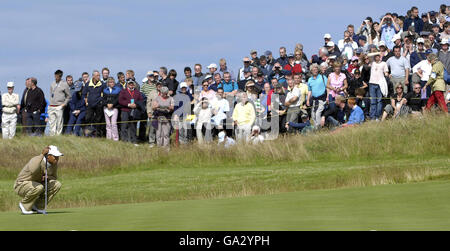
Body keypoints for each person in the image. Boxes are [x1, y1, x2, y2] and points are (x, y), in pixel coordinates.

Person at [14, 145, 63, 215]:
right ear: (48, 156)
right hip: (21, 185)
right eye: (55, 156)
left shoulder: (53, 164)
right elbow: (33, 170)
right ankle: (24, 205)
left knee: (57, 184)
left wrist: (48, 177)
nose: (57, 159)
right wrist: (42, 154)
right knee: (39, 187)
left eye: (58, 157)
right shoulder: (36, 159)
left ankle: (38, 206)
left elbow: (54, 177)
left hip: (37, 185)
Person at [119, 80, 144, 144]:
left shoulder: (137, 92)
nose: (131, 85)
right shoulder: (123, 91)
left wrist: (136, 104)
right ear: (127, 85)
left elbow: (141, 100)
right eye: (130, 84)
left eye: (132, 84)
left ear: (134, 85)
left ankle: (134, 141)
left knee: (133, 126)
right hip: (125, 110)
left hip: (134, 111)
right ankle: (124, 141)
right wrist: (128, 104)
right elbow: (120, 100)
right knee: (124, 125)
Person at [48, 70, 71, 136]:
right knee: (52, 122)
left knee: (59, 122)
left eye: (57, 76)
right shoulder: (52, 84)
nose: (55, 77)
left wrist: (64, 104)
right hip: (51, 105)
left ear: (60, 76)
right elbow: (51, 93)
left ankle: (58, 136)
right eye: (55, 76)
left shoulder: (64, 84)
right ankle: (52, 136)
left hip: (59, 106)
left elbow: (68, 96)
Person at [82, 70, 105, 137]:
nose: (99, 77)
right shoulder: (88, 84)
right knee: (88, 119)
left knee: (98, 120)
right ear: (93, 76)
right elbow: (84, 94)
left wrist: (101, 101)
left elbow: (105, 94)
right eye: (97, 75)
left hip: (98, 105)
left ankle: (97, 135)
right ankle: (88, 134)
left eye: (99, 75)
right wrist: (86, 102)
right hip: (90, 105)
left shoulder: (102, 84)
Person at [368, 52, 389, 120]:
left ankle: (378, 116)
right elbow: (368, 55)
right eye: (375, 56)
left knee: (379, 101)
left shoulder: (383, 63)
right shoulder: (372, 63)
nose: (376, 57)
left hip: (380, 84)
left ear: (380, 57)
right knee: (373, 101)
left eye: (378, 56)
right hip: (372, 83)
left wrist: (387, 75)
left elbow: (386, 72)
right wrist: (377, 52)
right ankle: (372, 117)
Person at [307, 64, 327, 128]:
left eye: (316, 69)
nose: (315, 70)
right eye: (313, 69)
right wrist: (308, 100)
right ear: (311, 71)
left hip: (322, 99)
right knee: (313, 115)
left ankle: (319, 129)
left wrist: (327, 98)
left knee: (318, 114)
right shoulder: (310, 79)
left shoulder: (323, 77)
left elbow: (328, 87)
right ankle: (316, 128)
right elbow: (309, 91)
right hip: (314, 100)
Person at [103, 77, 121, 141]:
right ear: (108, 83)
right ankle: (109, 138)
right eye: (110, 82)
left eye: (113, 82)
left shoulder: (118, 89)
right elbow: (103, 99)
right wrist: (107, 104)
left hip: (114, 108)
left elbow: (118, 99)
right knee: (108, 124)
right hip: (106, 108)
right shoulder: (105, 90)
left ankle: (115, 138)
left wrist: (112, 104)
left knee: (113, 124)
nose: (112, 83)